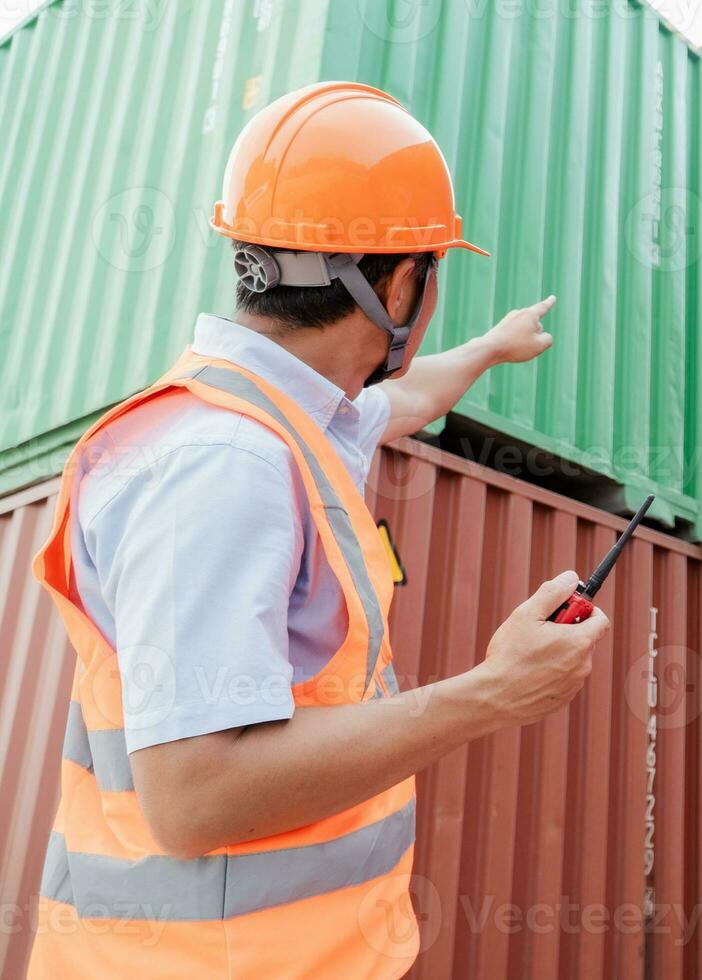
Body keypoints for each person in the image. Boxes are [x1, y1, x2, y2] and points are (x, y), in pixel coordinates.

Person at [28, 82, 609, 978]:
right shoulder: (226, 463)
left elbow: (400, 399)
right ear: (405, 281)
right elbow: (195, 797)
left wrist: (491, 346)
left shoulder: (283, 414)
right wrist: (493, 691)